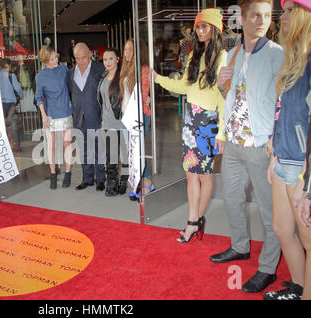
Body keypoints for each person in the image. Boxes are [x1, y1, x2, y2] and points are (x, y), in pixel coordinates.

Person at [209, 0, 284, 294]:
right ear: (242, 17)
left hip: (260, 145)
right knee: (232, 199)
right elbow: (233, 94)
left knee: (269, 211)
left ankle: (267, 267)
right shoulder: (235, 52)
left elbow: (282, 100)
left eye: (267, 16)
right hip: (235, 142)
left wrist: (274, 139)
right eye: (255, 15)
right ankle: (240, 246)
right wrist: (221, 85)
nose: (261, 21)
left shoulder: (277, 55)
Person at [152, 9, 227, 243]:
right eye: (198, 27)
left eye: (206, 26)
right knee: (190, 173)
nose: (201, 30)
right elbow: (185, 86)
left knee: (204, 174)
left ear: (216, 29)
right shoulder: (195, 54)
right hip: (190, 118)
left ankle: (195, 221)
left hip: (208, 121)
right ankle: (193, 219)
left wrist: (222, 132)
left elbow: (224, 97)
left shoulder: (223, 56)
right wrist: (157, 78)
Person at [262, 0, 311, 300]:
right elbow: (283, 109)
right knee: (282, 229)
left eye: (291, 10)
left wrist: (307, 180)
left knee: (308, 238)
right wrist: (274, 145)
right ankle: (298, 286)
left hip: (300, 166)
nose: (284, 15)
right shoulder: (294, 59)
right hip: (282, 158)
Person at [67, 43, 106, 191]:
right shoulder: (70, 73)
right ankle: (87, 179)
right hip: (78, 118)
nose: (81, 61)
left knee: (98, 149)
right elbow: (73, 93)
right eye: (77, 58)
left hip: (95, 115)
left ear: (89, 54)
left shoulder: (100, 69)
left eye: (83, 57)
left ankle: (100, 179)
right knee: (84, 150)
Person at [35, 45, 73, 189]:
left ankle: (68, 173)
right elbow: (38, 97)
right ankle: (52, 173)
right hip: (50, 114)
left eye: (56, 57)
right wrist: (44, 116)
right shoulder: (40, 76)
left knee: (67, 143)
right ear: (45, 61)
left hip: (65, 111)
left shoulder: (64, 71)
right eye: (52, 59)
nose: (56, 60)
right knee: (51, 146)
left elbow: (72, 87)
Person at [120, 39, 152, 200]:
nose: (127, 53)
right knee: (132, 152)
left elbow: (144, 93)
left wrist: (147, 101)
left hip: (139, 116)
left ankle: (146, 182)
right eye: (125, 50)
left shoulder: (143, 69)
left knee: (138, 151)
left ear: (138, 51)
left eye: (130, 49)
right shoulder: (125, 69)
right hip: (126, 116)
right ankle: (137, 183)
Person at [97, 48, 127, 196]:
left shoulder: (123, 77)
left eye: (110, 58)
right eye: (104, 59)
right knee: (111, 155)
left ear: (117, 59)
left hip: (121, 123)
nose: (107, 62)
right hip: (107, 123)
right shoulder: (103, 77)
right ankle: (112, 182)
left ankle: (124, 181)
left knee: (125, 155)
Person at [0, 59, 22, 153]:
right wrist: (20, 96)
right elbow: (18, 89)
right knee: (12, 125)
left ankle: (4, 147)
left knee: (1, 126)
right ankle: (15, 146)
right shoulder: (11, 75)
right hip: (11, 103)